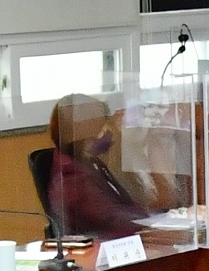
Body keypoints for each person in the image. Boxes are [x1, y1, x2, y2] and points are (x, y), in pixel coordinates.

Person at [41, 94, 148, 239]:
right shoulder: (71, 177)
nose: (109, 132)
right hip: (105, 248)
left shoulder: (90, 162)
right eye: (104, 124)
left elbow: (137, 202)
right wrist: (153, 226)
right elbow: (112, 218)